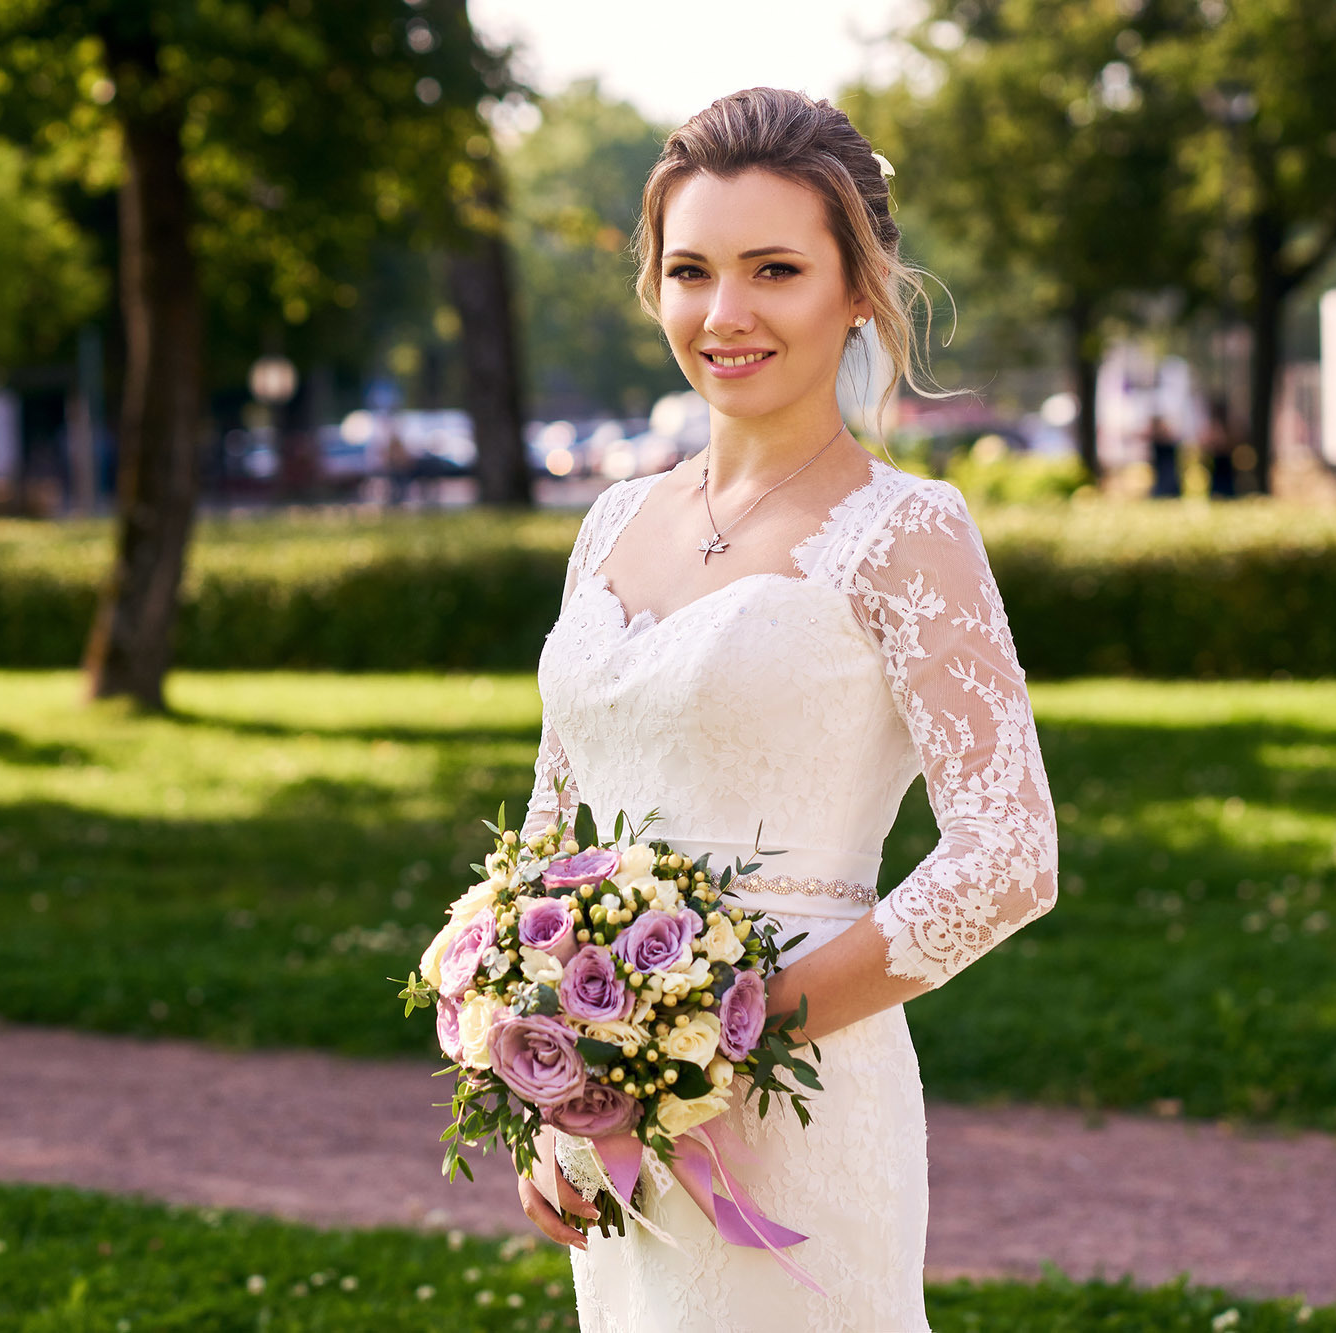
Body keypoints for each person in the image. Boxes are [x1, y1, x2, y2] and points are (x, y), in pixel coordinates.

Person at [513, 88, 1059, 1331]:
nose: (726, 314)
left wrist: (730, 1028)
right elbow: (554, 821)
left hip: (804, 1102)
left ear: (855, 288)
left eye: (774, 269)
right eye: (690, 270)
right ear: (650, 286)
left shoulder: (907, 533)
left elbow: (1010, 855)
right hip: (614, 1109)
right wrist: (556, 1075)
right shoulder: (610, 522)